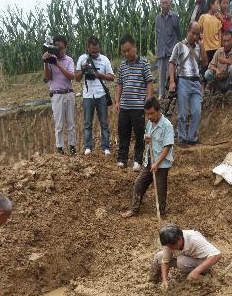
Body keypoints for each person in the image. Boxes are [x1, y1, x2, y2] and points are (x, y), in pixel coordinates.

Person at [121, 97, 174, 218]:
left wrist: (157, 163)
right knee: (139, 183)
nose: (149, 116)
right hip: (149, 160)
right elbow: (148, 139)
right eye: (147, 114)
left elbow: (167, 147)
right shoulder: (150, 123)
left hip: (161, 163)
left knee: (160, 188)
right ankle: (134, 209)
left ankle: (162, 212)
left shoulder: (167, 125)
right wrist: (146, 139)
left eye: (151, 113)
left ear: (159, 110)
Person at [116, 34, 154, 171]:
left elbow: (149, 82)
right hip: (125, 107)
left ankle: (138, 160)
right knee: (123, 134)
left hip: (138, 107)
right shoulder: (122, 66)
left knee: (139, 135)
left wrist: (148, 103)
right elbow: (119, 84)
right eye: (124, 51)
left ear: (135, 47)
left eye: (128, 50)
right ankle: (122, 159)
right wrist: (117, 101)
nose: (126, 53)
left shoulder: (143, 63)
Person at [169, 22, 208, 146]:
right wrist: (172, 81)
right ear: (188, 31)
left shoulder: (199, 46)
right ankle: (182, 138)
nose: (195, 36)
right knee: (182, 113)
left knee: (197, 111)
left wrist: (201, 45)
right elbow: (172, 63)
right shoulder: (179, 46)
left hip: (196, 82)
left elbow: (205, 63)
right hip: (183, 81)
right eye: (193, 33)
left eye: (198, 34)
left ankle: (192, 138)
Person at [75, 36, 114, 156]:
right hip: (87, 95)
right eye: (92, 51)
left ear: (99, 48)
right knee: (87, 123)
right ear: (88, 48)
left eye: (97, 51)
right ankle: (88, 147)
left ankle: (106, 147)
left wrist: (99, 75)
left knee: (104, 123)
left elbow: (112, 77)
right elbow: (76, 78)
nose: (94, 53)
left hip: (101, 94)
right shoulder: (82, 59)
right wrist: (82, 69)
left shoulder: (104, 60)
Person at [151, 224, 221, 287]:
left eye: (172, 246)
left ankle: (203, 276)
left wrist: (196, 271)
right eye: (168, 246)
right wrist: (164, 280)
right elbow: (165, 261)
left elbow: (217, 255)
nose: (170, 248)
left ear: (180, 239)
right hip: (188, 258)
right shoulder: (170, 241)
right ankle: (153, 281)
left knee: (181, 261)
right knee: (159, 256)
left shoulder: (195, 240)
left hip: (203, 262)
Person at [43, 35, 76, 156]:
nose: (58, 50)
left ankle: (72, 148)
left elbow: (71, 76)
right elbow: (47, 78)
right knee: (59, 124)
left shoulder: (69, 60)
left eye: (61, 48)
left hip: (69, 93)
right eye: (56, 47)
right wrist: (46, 63)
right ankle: (60, 149)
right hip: (56, 95)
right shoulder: (50, 60)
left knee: (71, 123)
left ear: (65, 48)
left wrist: (57, 64)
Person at [155, 0, 180, 100]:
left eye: (167, 2)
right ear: (160, 4)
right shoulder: (157, 18)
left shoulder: (175, 17)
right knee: (161, 74)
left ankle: (172, 92)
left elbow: (178, 32)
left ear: (170, 3)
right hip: (161, 50)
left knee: (172, 73)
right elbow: (157, 34)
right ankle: (161, 94)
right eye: (163, 3)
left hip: (171, 50)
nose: (165, 5)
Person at [198, 0, 222, 67]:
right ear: (211, 4)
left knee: (214, 68)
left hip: (216, 48)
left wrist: (220, 47)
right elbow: (199, 29)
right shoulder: (203, 17)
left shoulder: (218, 19)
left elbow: (219, 34)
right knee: (205, 67)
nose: (218, 6)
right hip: (205, 48)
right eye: (217, 3)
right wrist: (201, 38)